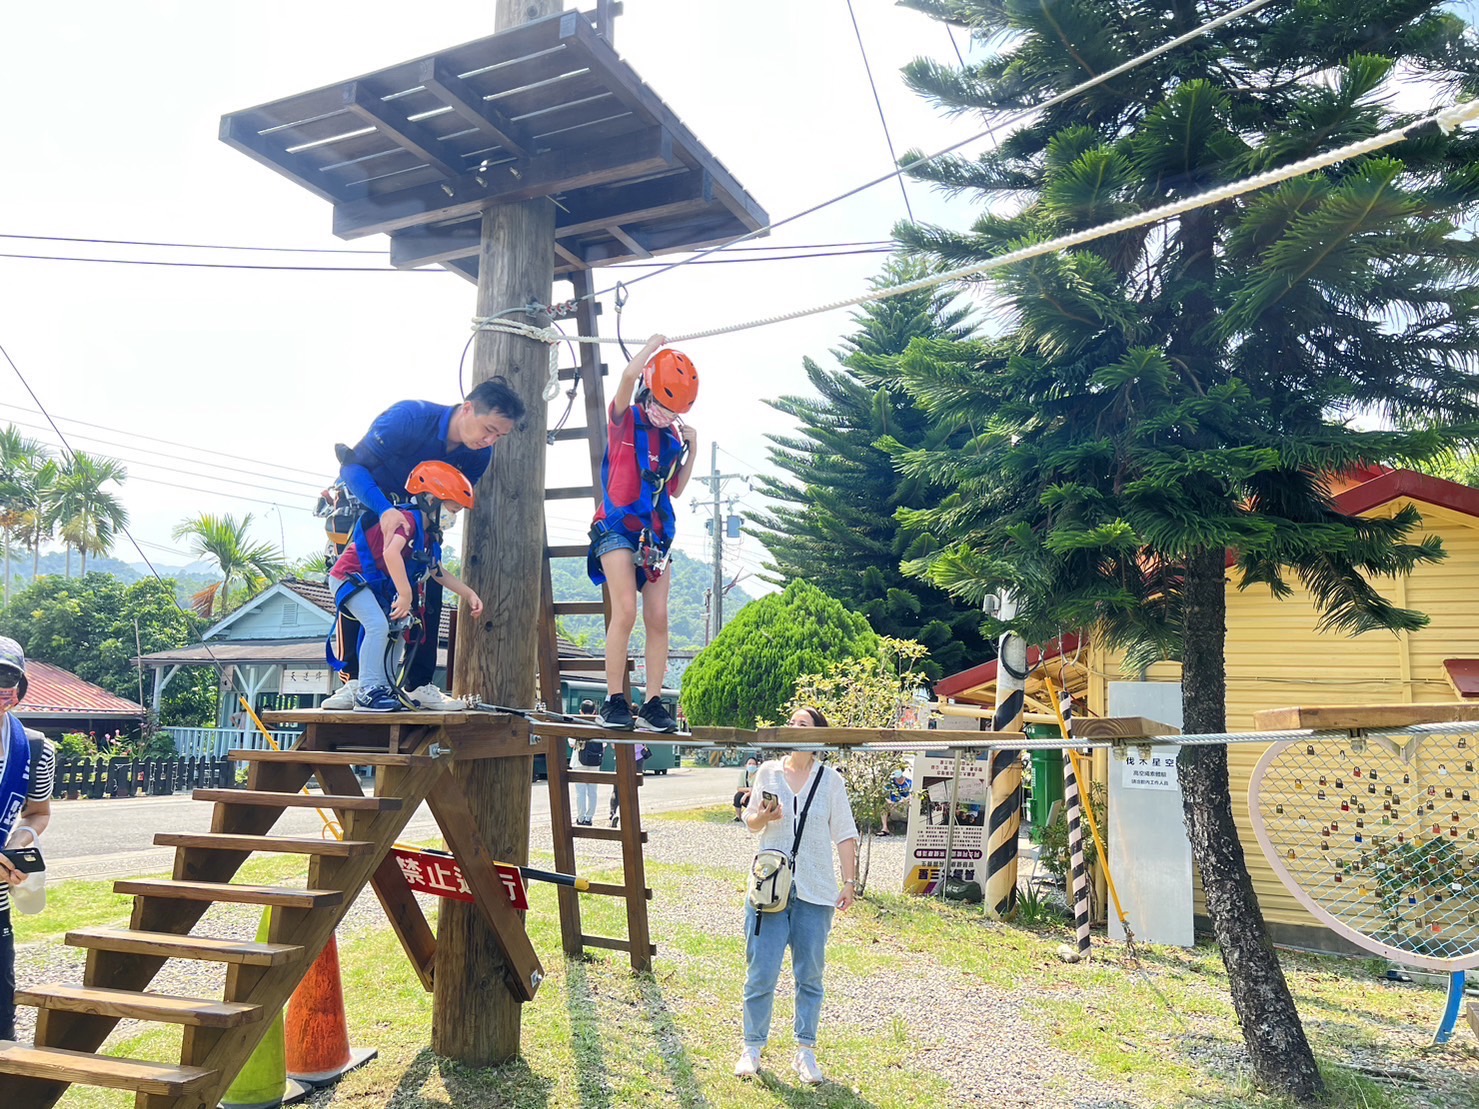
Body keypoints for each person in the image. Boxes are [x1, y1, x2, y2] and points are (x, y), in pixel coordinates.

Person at [322, 378, 525, 709]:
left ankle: (416, 683)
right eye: (488, 429)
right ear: (468, 408)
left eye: (498, 436)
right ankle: (357, 683)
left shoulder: (478, 456)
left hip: (419, 521)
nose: (489, 440)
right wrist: (385, 510)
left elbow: (452, 501)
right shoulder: (409, 418)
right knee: (363, 585)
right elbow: (352, 466)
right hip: (369, 505)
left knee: (423, 591)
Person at [736, 707, 858, 1085]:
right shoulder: (768, 771)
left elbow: (845, 833)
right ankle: (751, 1047)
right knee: (761, 972)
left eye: (802, 724)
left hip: (816, 890)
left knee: (810, 975)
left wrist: (849, 882)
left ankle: (805, 1051)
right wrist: (765, 819)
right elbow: (750, 821)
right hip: (770, 887)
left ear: (817, 736)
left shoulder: (831, 780)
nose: (793, 728)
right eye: (791, 722)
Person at [587, 335, 699, 732]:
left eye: (674, 412)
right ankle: (614, 698)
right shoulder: (624, 418)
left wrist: (692, 449)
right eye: (661, 406)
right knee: (626, 610)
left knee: (658, 617)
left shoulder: (670, 438)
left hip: (655, 535)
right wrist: (654, 346)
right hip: (617, 526)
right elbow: (627, 374)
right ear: (647, 391)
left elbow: (675, 489)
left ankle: (653, 703)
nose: (665, 416)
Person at [327, 462, 483, 712]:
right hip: (348, 577)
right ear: (431, 499)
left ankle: (384, 685)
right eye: (452, 509)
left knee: (399, 627)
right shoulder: (407, 520)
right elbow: (391, 553)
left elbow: (436, 571)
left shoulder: (429, 535)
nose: (453, 517)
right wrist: (406, 593)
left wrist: (468, 593)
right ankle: (367, 690)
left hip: (372, 583)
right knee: (377, 625)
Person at [0, 638, 55, 1042]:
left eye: (4, 675)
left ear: (20, 687)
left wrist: (20, 841)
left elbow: (38, 812)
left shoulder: (35, 749)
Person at [570, 700, 602, 826]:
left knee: (580, 791)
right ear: (594, 711)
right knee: (593, 791)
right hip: (595, 762)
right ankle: (589, 817)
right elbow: (603, 744)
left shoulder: (577, 723)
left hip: (579, 760)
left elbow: (572, 743)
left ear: (581, 711)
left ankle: (581, 817)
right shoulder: (598, 724)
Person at [608, 741, 648, 827]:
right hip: (638, 758)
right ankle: (631, 818)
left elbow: (614, 745)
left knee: (617, 789)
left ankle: (613, 814)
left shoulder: (618, 728)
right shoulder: (641, 728)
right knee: (632, 790)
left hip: (622, 757)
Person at [880, 767, 911, 836]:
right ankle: (885, 828)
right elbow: (884, 795)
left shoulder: (909, 782)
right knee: (883, 805)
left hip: (904, 806)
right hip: (892, 806)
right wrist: (888, 801)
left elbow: (913, 794)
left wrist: (905, 800)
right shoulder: (890, 783)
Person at [733, 756, 758, 823]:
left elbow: (757, 789)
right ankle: (739, 816)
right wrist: (748, 789)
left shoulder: (759, 774)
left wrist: (747, 794)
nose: (751, 766)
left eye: (753, 764)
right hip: (746, 795)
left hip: (756, 797)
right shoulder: (743, 774)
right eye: (749, 764)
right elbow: (739, 788)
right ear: (746, 765)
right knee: (738, 796)